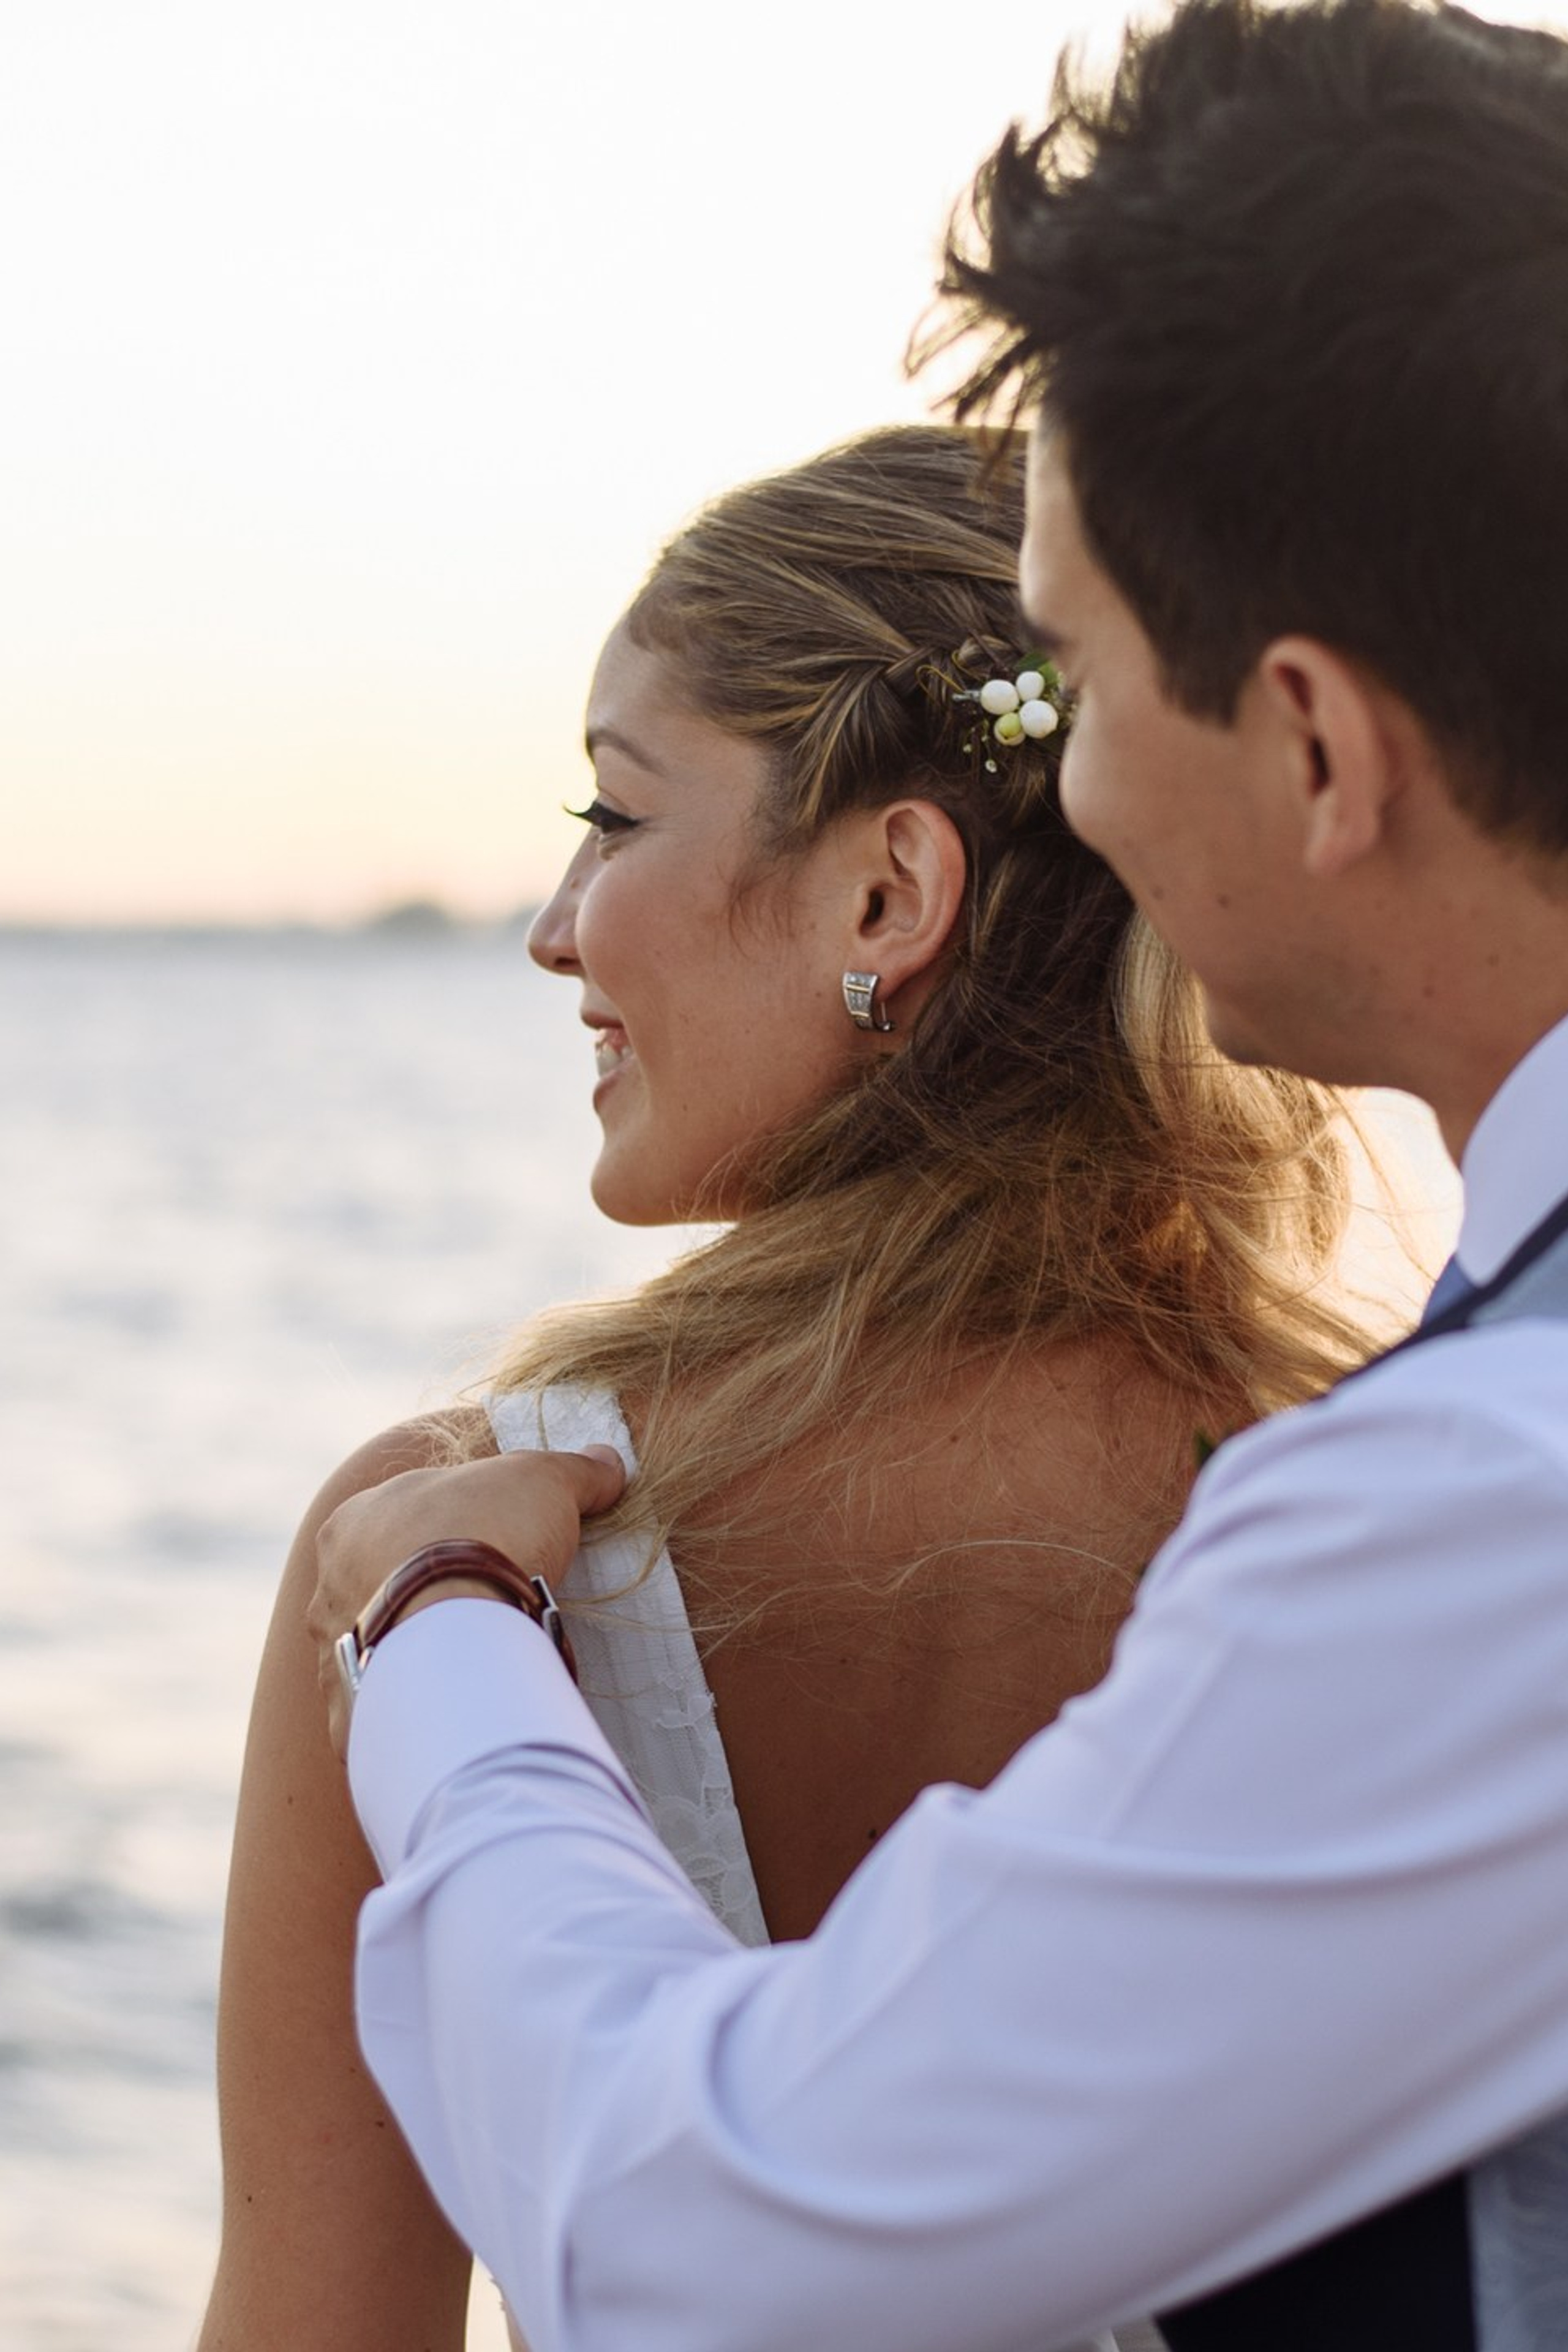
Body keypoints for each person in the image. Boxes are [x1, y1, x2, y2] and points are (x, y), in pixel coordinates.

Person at [198, 423, 1370, 2352]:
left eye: (614, 814)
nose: (556, 926)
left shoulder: (440, 1564)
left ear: (889, 893)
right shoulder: (1399, 1502)